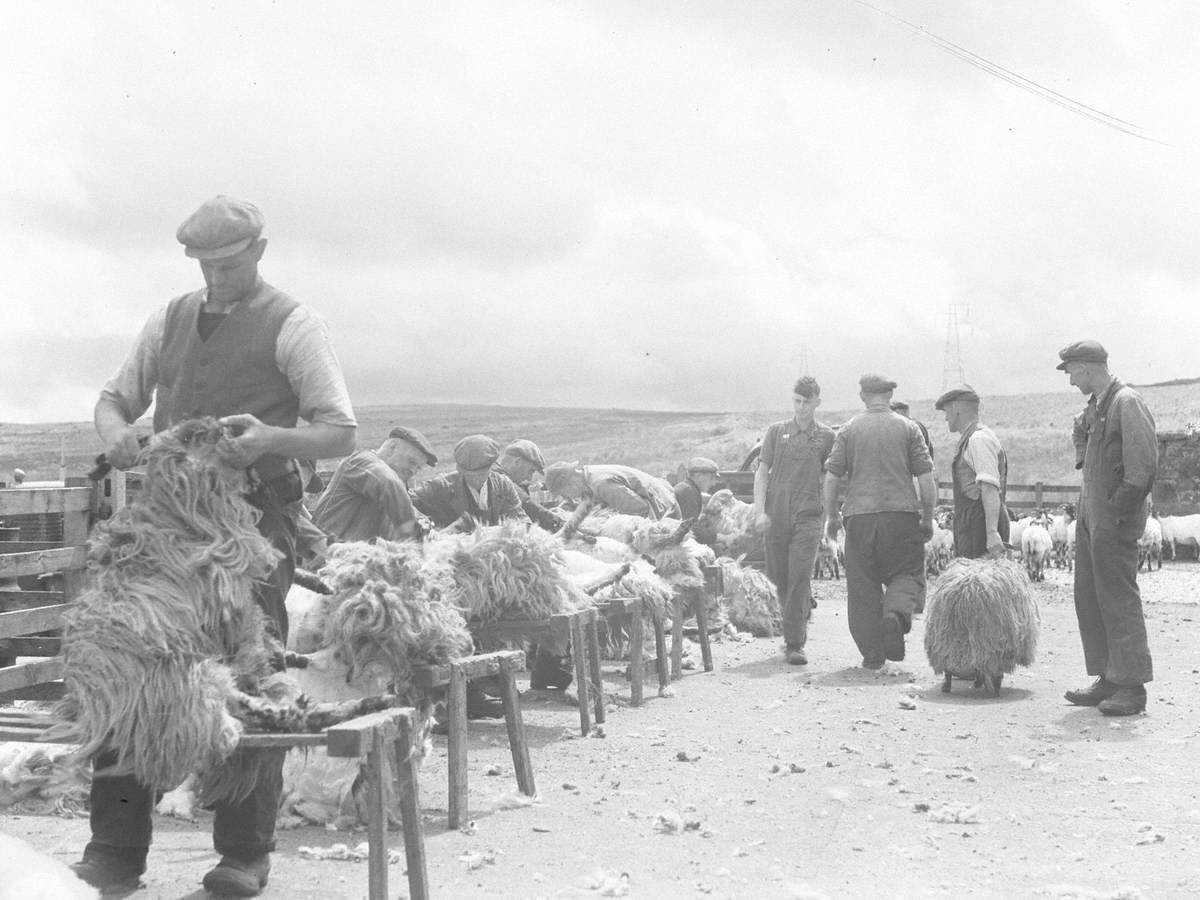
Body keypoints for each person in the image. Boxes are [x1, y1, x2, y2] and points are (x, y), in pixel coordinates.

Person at [76, 196, 357, 896]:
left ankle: (243, 855)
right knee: (132, 657)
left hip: (252, 531)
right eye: (204, 264)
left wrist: (270, 441)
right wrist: (115, 432)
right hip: (165, 531)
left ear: (259, 251)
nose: (216, 276)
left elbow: (339, 431)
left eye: (229, 263)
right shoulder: (169, 319)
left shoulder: (294, 326)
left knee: (248, 668)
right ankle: (113, 851)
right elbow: (115, 397)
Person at [1057, 340, 1156, 717]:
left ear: (1086, 368)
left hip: (1114, 519)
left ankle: (1131, 687)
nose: (1071, 382)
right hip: (1090, 518)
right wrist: (1084, 458)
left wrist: (1117, 508)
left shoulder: (1126, 403)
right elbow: (1078, 431)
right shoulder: (1096, 407)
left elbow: (1142, 467)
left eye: (1072, 374)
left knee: (1118, 599)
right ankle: (1108, 678)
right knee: (1091, 597)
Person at [822, 373, 935, 668]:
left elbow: (832, 478)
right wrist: (928, 518)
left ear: (863, 396)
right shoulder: (909, 429)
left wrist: (832, 516)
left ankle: (873, 654)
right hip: (901, 515)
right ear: (889, 396)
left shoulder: (847, 431)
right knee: (907, 572)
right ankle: (895, 615)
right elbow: (926, 479)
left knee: (862, 584)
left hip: (859, 517)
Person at [752, 377, 836, 666]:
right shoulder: (776, 432)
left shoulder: (827, 437)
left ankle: (794, 643)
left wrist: (826, 523)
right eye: (796, 402)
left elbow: (829, 480)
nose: (801, 408)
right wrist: (759, 511)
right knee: (779, 578)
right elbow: (762, 473)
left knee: (800, 575)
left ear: (817, 402)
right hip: (777, 514)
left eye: (806, 402)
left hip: (808, 514)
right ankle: (799, 613)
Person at [313, 425, 437, 542]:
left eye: (418, 468)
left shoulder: (396, 486)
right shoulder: (361, 461)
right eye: (411, 462)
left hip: (358, 556)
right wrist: (412, 528)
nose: (413, 471)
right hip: (326, 554)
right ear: (392, 448)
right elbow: (388, 482)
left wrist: (424, 523)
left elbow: (408, 508)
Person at [935, 385, 1009, 558]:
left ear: (956, 409)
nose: (946, 418)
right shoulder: (972, 438)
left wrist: (991, 533)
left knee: (980, 581)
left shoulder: (978, 440)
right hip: (973, 523)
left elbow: (989, 487)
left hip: (980, 525)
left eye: (946, 411)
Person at [412, 434, 529, 529]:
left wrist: (497, 532)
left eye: (481, 474)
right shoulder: (441, 486)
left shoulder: (503, 485)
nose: (476, 479)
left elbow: (523, 522)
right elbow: (405, 502)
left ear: (491, 467)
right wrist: (430, 528)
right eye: (469, 475)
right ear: (459, 470)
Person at [543, 462, 681, 520]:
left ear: (570, 484)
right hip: (661, 500)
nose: (566, 497)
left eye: (563, 493)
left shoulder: (601, 484)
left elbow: (639, 508)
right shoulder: (588, 476)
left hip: (664, 510)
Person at [496, 439, 565, 532]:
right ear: (517, 462)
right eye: (531, 471)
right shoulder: (500, 479)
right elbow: (528, 505)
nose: (529, 478)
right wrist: (562, 524)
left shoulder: (495, 473)